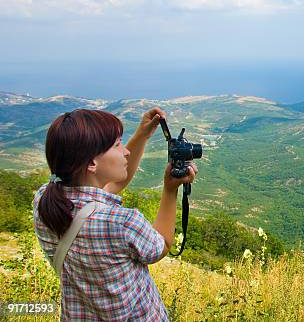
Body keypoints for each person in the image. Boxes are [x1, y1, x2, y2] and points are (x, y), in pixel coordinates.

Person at [32, 107, 197, 321]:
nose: (125, 151)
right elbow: (162, 245)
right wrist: (170, 189)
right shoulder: (121, 222)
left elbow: (115, 183)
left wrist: (142, 135)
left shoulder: (45, 200)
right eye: (117, 145)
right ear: (92, 163)